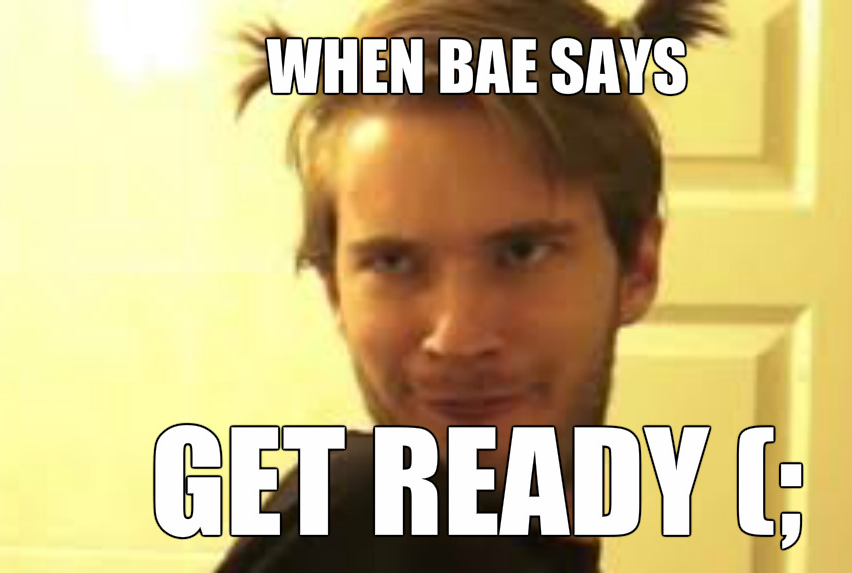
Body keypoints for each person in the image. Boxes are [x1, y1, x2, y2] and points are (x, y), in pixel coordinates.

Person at [217, 1, 723, 571]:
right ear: (334, 287)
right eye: (393, 262)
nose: (456, 338)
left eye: (520, 253)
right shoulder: (357, 523)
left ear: (639, 267)